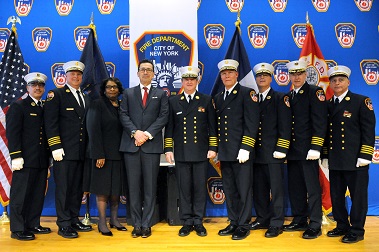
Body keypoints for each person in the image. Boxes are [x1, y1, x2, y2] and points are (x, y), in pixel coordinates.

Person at [322, 65, 375, 243]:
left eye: (341, 80)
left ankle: (357, 230)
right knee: (336, 196)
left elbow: (368, 131)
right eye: (334, 80)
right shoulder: (328, 105)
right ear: (330, 83)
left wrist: (365, 155)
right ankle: (342, 225)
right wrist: (326, 155)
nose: (337, 83)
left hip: (355, 160)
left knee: (358, 197)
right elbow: (326, 134)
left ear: (348, 82)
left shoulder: (361, 101)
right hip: (336, 160)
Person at [164, 66, 218, 237]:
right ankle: (187, 221)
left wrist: (213, 148)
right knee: (184, 188)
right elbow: (170, 128)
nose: (189, 82)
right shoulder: (173, 101)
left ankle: (198, 221)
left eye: (192, 79)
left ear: (197, 81)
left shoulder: (206, 100)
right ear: (182, 81)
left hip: (201, 152)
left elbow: (212, 127)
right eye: (186, 79)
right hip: (181, 152)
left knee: (199, 188)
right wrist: (168, 149)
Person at [119, 59, 169, 238]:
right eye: (143, 70)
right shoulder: (128, 93)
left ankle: (146, 224)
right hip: (131, 146)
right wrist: (135, 132)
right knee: (133, 188)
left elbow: (163, 117)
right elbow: (123, 114)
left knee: (149, 188)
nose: (146, 72)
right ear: (138, 73)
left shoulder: (161, 94)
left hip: (151, 147)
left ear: (154, 73)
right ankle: (136, 223)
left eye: (149, 70)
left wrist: (146, 134)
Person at [44, 60, 92, 238]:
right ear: (65, 76)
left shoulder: (86, 97)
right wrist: (55, 146)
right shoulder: (56, 95)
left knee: (77, 188)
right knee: (64, 188)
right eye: (72, 74)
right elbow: (50, 123)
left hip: (81, 151)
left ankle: (73, 218)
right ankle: (63, 224)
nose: (76, 77)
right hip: (63, 152)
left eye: (79, 74)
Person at [214, 59, 259, 240]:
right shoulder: (217, 98)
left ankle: (243, 224)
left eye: (230, 73)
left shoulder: (247, 94)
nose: (226, 76)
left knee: (244, 190)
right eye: (224, 73)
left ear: (236, 75)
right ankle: (233, 221)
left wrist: (246, 148)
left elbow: (252, 123)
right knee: (230, 190)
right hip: (225, 152)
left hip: (242, 153)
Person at [283, 60, 327, 239]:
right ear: (290, 76)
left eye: (299, 73)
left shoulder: (314, 92)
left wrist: (316, 146)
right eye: (293, 74)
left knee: (312, 188)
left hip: (309, 150)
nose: (296, 77)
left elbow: (320, 121)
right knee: (295, 187)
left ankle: (315, 223)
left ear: (305, 75)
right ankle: (300, 218)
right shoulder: (289, 95)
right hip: (292, 150)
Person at [6, 72, 51, 241]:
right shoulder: (19, 106)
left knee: (37, 194)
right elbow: (12, 133)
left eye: (40, 85)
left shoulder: (44, 107)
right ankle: (17, 228)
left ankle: (32, 224)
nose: (37, 88)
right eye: (34, 85)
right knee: (20, 195)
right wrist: (16, 156)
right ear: (27, 88)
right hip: (24, 159)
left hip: (40, 159)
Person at [249, 63, 292, 238]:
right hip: (256, 153)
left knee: (276, 189)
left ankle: (276, 222)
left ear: (272, 78)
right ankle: (262, 218)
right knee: (259, 189)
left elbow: (286, 126)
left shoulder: (280, 98)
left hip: (274, 153)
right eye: (259, 76)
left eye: (265, 75)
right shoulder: (251, 98)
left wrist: (281, 148)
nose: (261, 78)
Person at [86, 77, 126, 236]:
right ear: (104, 90)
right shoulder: (97, 104)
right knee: (102, 190)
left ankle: (114, 220)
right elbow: (93, 130)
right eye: (109, 87)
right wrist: (99, 154)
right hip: (103, 155)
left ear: (119, 89)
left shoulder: (121, 106)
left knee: (116, 190)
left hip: (119, 154)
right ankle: (102, 222)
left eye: (115, 87)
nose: (112, 90)